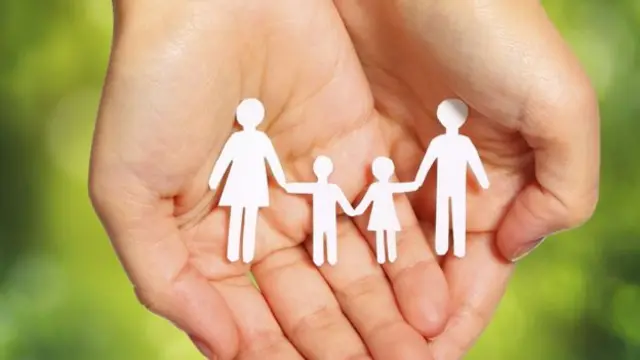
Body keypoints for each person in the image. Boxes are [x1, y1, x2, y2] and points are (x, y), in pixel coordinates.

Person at [90, 1, 600, 359]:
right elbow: (260, 170)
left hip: (405, 198)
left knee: (443, 221)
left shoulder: (444, 147)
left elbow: (437, 171)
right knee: (246, 228)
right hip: (254, 196)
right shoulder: (261, 144)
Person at [208, 98, 287, 264]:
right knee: (243, 217)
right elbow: (225, 159)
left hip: (247, 183)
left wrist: (282, 180)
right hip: (244, 183)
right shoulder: (251, 138)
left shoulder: (252, 138)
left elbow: (272, 161)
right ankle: (237, 252)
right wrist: (214, 179)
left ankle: (240, 252)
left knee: (244, 217)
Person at [414, 99, 490, 258]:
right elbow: (427, 162)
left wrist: (482, 179)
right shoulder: (442, 142)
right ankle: (443, 246)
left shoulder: (458, 142)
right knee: (445, 212)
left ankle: (456, 247)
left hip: (455, 185)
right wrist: (419, 180)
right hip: (444, 184)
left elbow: (474, 161)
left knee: (454, 212)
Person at [285, 156, 356, 266]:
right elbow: (346, 206)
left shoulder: (327, 188)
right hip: (323, 219)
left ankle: (326, 258)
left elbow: (346, 205)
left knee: (323, 237)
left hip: (323, 219)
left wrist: (283, 183)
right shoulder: (331, 188)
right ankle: (324, 259)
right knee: (324, 237)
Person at [354, 157, 418, 264]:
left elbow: (402, 187)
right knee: (383, 234)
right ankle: (384, 255)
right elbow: (366, 201)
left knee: (387, 233)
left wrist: (414, 185)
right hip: (380, 213)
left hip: (385, 213)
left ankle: (389, 254)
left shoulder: (379, 187)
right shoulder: (376, 187)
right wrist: (356, 211)